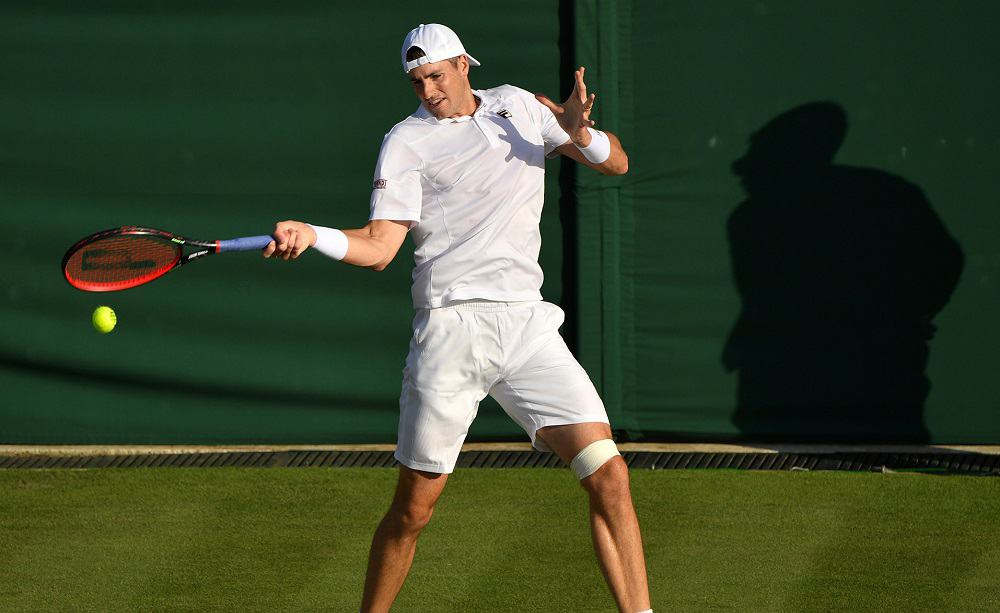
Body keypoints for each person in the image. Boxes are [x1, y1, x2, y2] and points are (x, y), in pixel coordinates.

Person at [264, 23, 651, 613]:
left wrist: (582, 133)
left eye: (437, 76)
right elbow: (377, 248)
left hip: (526, 328)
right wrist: (312, 234)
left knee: (610, 475)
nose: (429, 91)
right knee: (413, 512)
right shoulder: (406, 142)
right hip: (450, 333)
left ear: (465, 65)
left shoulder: (520, 107)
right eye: (417, 82)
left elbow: (615, 163)